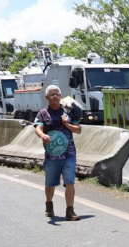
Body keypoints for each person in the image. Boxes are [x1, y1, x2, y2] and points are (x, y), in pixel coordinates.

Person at [34, 85, 82, 221]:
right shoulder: (42, 113)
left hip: (69, 154)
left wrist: (67, 124)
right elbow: (38, 127)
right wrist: (42, 135)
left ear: (61, 96)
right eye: (52, 94)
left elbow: (78, 130)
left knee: (70, 182)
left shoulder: (69, 112)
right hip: (52, 156)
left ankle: (70, 210)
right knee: (50, 184)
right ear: (46, 97)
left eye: (57, 94)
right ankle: (48, 203)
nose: (55, 96)